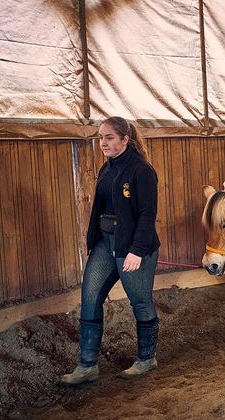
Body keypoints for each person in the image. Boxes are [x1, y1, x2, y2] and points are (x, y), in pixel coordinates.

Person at [61, 116, 161, 385]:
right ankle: (87, 365)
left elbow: (147, 214)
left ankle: (146, 358)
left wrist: (137, 251)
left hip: (133, 246)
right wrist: (94, 240)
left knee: (140, 300)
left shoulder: (142, 171)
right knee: (90, 295)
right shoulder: (107, 169)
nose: (102, 143)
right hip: (106, 242)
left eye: (109, 138)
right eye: (100, 137)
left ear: (125, 140)